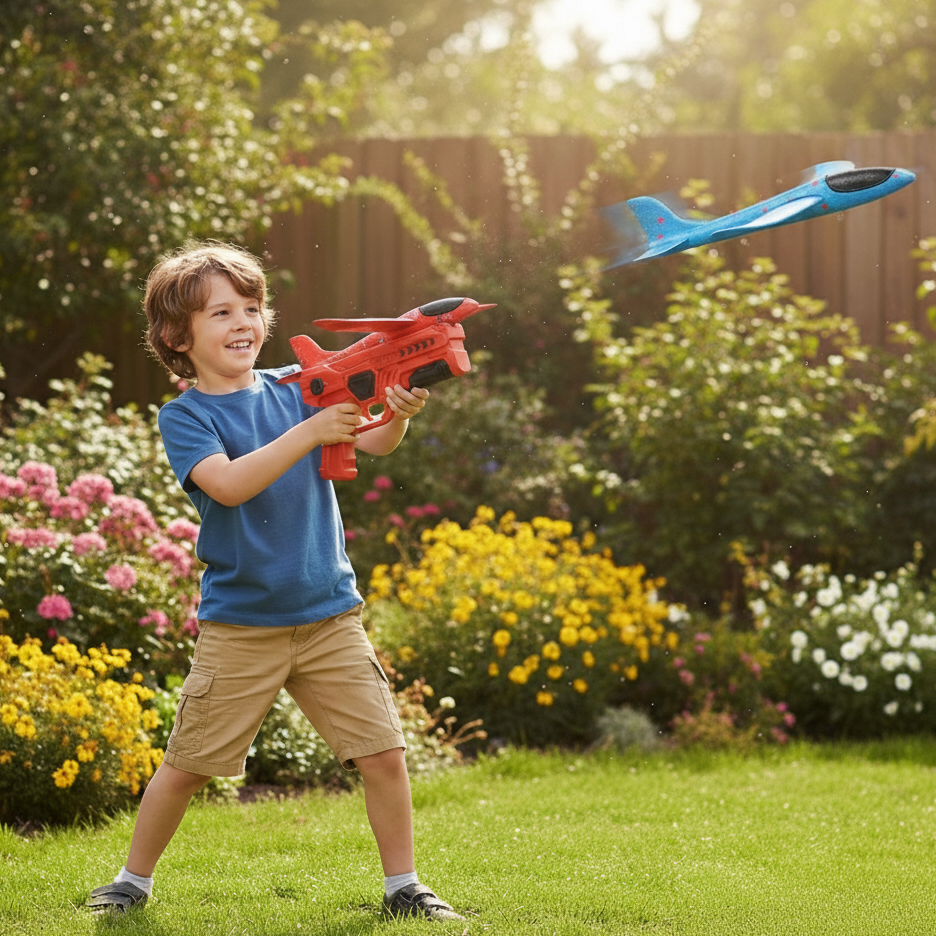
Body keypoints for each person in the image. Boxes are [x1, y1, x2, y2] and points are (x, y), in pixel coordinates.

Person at [86, 241, 465, 923]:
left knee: (382, 754)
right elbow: (228, 486)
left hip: (328, 615)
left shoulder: (299, 382)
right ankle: (130, 882)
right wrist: (312, 430)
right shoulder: (188, 418)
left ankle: (404, 887)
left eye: (252, 308)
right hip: (242, 626)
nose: (244, 322)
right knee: (190, 764)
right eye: (221, 311)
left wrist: (398, 412)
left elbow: (373, 440)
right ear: (178, 337)